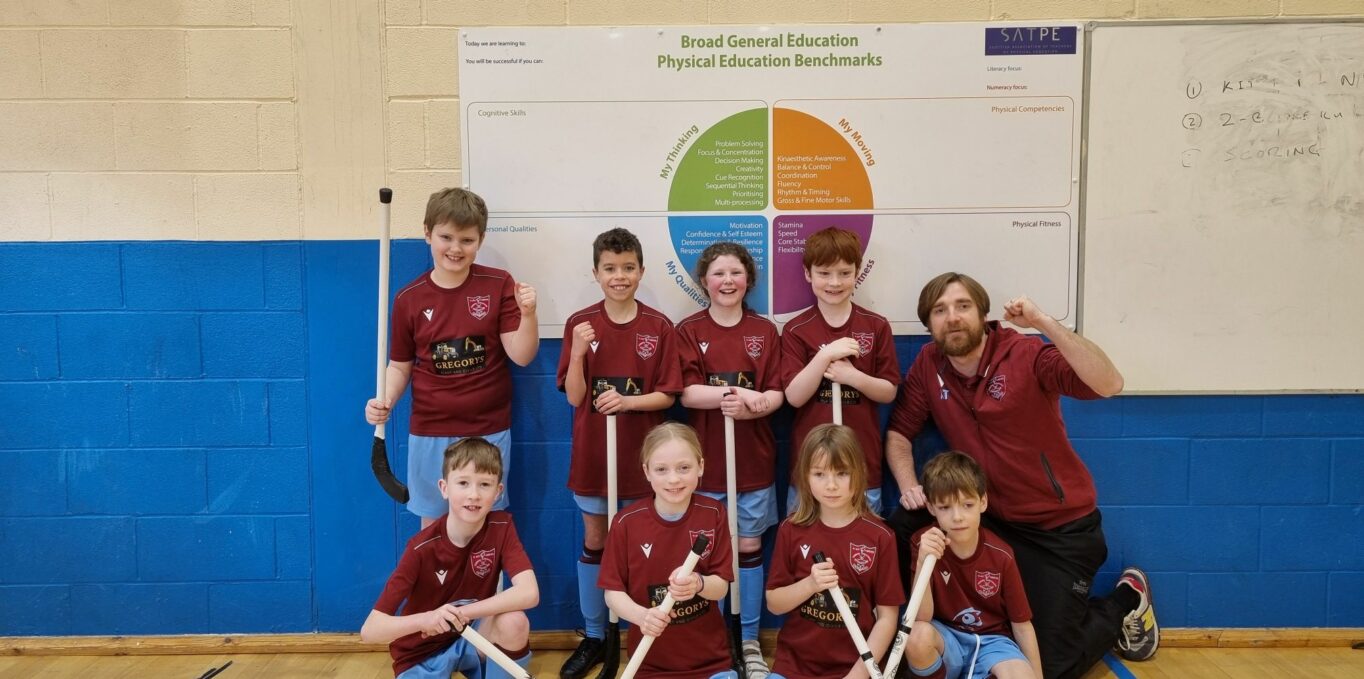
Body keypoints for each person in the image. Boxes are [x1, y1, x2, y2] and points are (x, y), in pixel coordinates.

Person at [884, 272, 1158, 679]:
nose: (952, 318)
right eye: (940, 311)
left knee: (1051, 665)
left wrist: (1044, 322)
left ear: (983, 314)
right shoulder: (929, 364)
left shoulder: (1025, 353)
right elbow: (898, 434)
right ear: (929, 324)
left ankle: (1123, 603)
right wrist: (908, 485)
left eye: (963, 306)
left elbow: (1108, 383)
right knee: (899, 527)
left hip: (1059, 531)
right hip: (989, 517)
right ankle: (905, 640)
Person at [365, 188, 539, 527]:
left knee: (487, 527)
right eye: (446, 237)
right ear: (428, 233)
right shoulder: (409, 299)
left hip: (488, 431)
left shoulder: (499, 284)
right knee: (433, 527)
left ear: (480, 240)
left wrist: (528, 315)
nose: (455, 248)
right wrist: (384, 398)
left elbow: (521, 355)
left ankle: (492, 585)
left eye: (467, 239)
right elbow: (400, 367)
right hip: (431, 430)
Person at [556, 227, 683, 678]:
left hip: (643, 462)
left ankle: (639, 633)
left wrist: (628, 402)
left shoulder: (659, 326)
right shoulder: (580, 323)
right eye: (610, 268)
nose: (619, 276)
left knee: (643, 547)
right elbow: (574, 398)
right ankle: (596, 635)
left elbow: (668, 395)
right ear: (596, 273)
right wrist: (575, 355)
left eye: (628, 268)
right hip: (593, 456)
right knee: (596, 540)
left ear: (641, 271)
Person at [676, 241, 784, 678]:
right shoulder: (688, 330)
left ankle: (750, 638)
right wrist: (735, 395)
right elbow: (687, 392)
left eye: (736, 273)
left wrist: (755, 404)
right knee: (708, 555)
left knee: (749, 548)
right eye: (718, 273)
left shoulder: (765, 331)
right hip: (705, 465)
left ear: (748, 280)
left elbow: (776, 393)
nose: (727, 281)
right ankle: (715, 639)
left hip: (753, 463)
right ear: (704, 281)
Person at [361, 437, 538, 678]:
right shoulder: (420, 548)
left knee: (514, 622)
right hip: (421, 653)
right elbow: (370, 630)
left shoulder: (502, 526)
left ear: (498, 492)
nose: (474, 494)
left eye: (484, 484)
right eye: (463, 483)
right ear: (444, 488)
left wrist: (464, 614)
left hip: (472, 637)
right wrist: (427, 619)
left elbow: (529, 593)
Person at [599, 422, 738, 678]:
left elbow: (721, 586)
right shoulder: (625, 522)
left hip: (710, 662)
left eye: (684, 468)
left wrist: (698, 583)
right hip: (649, 663)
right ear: (647, 472)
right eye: (661, 469)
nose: (673, 479)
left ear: (701, 467)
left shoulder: (714, 513)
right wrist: (642, 616)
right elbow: (612, 593)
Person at [766, 424, 904, 679]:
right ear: (805, 476)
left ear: (860, 473)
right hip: (795, 665)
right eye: (819, 474)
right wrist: (810, 584)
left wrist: (859, 674)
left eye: (841, 473)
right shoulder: (791, 529)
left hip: (853, 668)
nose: (831, 485)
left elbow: (887, 619)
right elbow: (774, 604)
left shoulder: (880, 537)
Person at [781, 227, 899, 511]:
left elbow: (888, 392)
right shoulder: (796, 330)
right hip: (811, 466)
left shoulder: (876, 325)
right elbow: (794, 396)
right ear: (808, 274)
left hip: (862, 462)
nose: (834, 282)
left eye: (845, 273)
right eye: (824, 273)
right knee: (803, 542)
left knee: (862, 541)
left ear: (857, 272)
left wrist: (852, 377)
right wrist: (823, 358)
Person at [904, 451, 1042, 679]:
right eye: (945, 507)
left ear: (983, 502)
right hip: (947, 639)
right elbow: (922, 618)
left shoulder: (1001, 555)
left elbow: (1023, 625)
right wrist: (922, 561)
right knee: (916, 636)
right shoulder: (924, 542)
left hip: (992, 642)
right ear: (930, 507)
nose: (957, 517)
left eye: (967, 505)